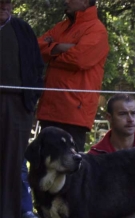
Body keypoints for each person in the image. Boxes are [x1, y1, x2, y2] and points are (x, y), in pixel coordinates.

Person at [37, 0, 109, 152]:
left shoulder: (97, 30)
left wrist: (51, 53)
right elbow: (36, 47)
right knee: (43, 165)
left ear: (84, 2)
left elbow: (79, 59)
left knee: (71, 167)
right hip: (49, 109)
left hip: (74, 113)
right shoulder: (61, 27)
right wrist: (61, 47)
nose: (66, 1)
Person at [0, 0, 44, 218]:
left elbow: (37, 65)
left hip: (18, 104)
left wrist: (33, 96)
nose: (4, 5)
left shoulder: (22, 29)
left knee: (12, 160)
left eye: (7, 2)